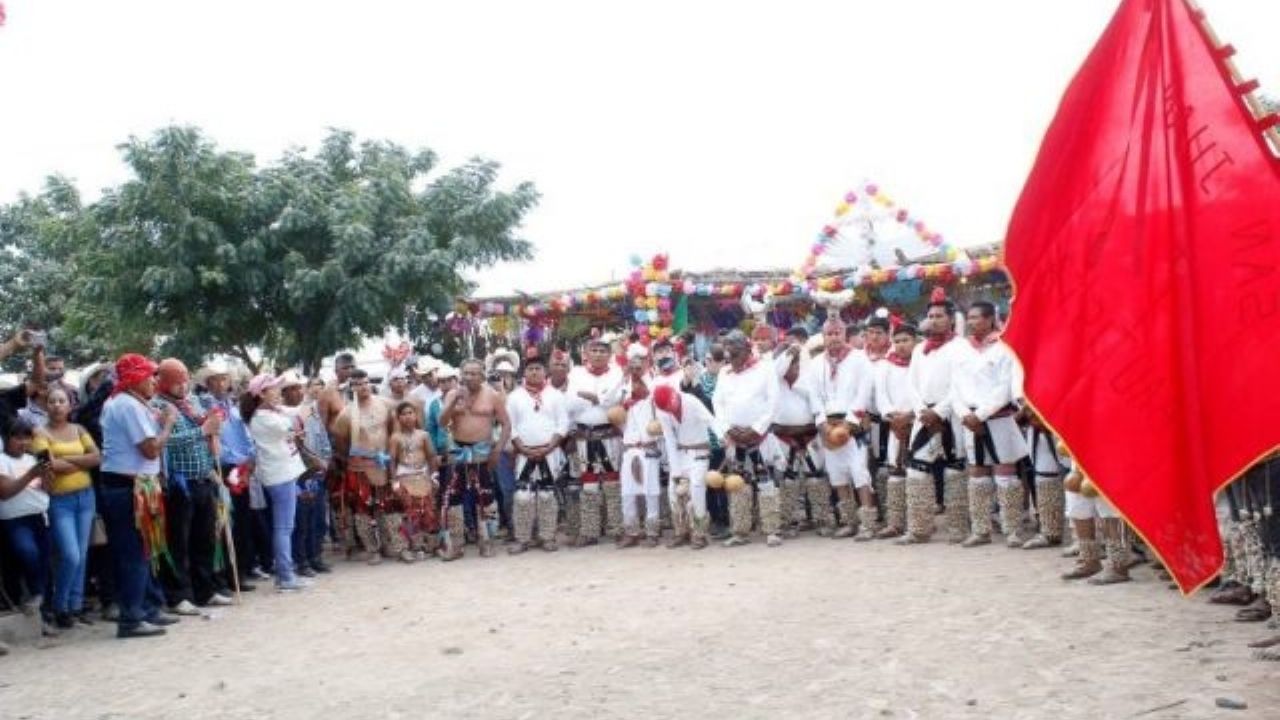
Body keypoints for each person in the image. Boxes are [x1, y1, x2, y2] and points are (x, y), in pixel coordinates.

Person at [99, 353, 179, 638]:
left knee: (144, 549)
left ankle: (145, 608)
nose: (154, 381)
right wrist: (168, 422)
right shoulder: (128, 406)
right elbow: (151, 449)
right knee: (134, 553)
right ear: (134, 379)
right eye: (149, 376)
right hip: (128, 488)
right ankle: (132, 616)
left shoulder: (124, 402)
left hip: (134, 485)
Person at [153, 359, 233, 614]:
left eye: (185, 380)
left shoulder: (193, 402)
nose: (182, 385)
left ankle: (205, 589)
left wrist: (212, 432)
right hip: (179, 484)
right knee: (179, 543)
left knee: (205, 539)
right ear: (164, 382)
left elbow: (207, 432)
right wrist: (202, 431)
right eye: (177, 381)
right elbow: (166, 442)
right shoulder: (157, 406)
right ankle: (179, 596)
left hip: (203, 478)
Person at [953, 302, 1030, 548]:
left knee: (1005, 475)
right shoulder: (962, 350)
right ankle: (981, 529)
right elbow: (955, 387)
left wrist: (982, 414)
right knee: (977, 475)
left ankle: (1012, 529)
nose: (972, 322)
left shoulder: (1003, 348)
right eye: (969, 317)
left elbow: (1005, 388)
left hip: (997, 419)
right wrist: (965, 413)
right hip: (970, 419)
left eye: (976, 317)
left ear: (989, 319)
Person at [31, 387, 100, 627]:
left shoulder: (79, 429)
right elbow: (47, 465)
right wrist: (80, 463)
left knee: (82, 555)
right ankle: (60, 606)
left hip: (85, 497)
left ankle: (75, 606)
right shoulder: (39, 432)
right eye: (52, 401)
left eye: (62, 401)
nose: (57, 405)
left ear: (70, 405)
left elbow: (97, 457)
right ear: (45, 406)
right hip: (60, 500)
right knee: (70, 555)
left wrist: (65, 461)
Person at [901, 296, 969, 544]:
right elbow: (912, 383)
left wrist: (940, 411)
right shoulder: (920, 348)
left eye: (939, 316)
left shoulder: (962, 347)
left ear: (951, 319)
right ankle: (919, 528)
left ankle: (958, 528)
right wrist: (921, 410)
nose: (934, 320)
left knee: (955, 473)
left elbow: (960, 384)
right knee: (916, 472)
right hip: (924, 416)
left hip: (950, 415)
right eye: (930, 316)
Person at [806, 317, 878, 541]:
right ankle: (848, 522)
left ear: (844, 334)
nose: (833, 338)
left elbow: (864, 392)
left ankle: (867, 524)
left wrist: (849, 422)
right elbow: (813, 396)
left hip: (852, 425)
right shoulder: (816, 363)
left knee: (860, 473)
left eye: (838, 333)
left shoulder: (859, 359)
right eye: (829, 334)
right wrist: (823, 424)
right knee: (837, 475)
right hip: (828, 426)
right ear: (823, 337)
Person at [712, 330, 781, 548]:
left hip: (759, 438)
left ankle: (772, 530)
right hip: (734, 438)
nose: (730, 359)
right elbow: (718, 403)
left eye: (734, 353)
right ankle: (740, 531)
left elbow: (773, 402)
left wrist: (756, 428)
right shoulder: (724, 372)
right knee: (737, 485)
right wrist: (726, 429)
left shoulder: (765, 368)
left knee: (766, 483)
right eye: (727, 354)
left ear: (747, 349)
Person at [198, 359, 263, 589]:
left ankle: (241, 570)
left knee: (242, 519)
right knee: (226, 521)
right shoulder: (205, 406)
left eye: (224, 378)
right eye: (216, 379)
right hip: (223, 467)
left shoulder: (232, 407)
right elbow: (215, 442)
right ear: (208, 382)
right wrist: (236, 460)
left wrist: (249, 458)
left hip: (240, 466)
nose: (221, 383)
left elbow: (244, 434)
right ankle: (227, 574)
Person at [438, 359, 511, 559]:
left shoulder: (493, 396)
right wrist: (453, 402)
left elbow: (506, 424)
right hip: (458, 451)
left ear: (482, 375)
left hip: (482, 451)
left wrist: (497, 449)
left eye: (474, 373)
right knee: (453, 498)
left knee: (485, 496)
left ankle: (486, 542)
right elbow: (442, 422)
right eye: (466, 373)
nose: (469, 377)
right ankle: (456, 545)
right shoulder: (452, 394)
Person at [243, 373, 310, 591]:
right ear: (261, 394)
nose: (278, 392)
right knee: (283, 528)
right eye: (272, 388)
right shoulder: (265, 418)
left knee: (284, 527)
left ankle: (285, 574)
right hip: (279, 475)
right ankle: (285, 576)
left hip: (281, 473)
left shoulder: (268, 414)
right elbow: (296, 421)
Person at [331, 369, 400, 564]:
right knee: (363, 511)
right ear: (352, 387)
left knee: (388, 507)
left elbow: (393, 432)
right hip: (360, 469)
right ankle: (372, 549)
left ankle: (391, 544)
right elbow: (341, 444)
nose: (363, 387)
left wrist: (389, 457)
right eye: (358, 384)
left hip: (384, 465)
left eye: (365, 382)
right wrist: (359, 458)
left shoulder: (385, 404)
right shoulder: (346, 415)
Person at [506, 351, 568, 554]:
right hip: (524, 453)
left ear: (545, 372)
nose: (534, 372)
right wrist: (523, 449)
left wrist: (549, 448)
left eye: (538, 369)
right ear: (524, 372)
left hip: (549, 452)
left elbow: (563, 425)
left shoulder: (555, 395)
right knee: (523, 497)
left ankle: (547, 537)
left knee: (547, 496)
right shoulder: (515, 397)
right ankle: (523, 539)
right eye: (530, 369)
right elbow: (510, 426)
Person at [567, 333, 626, 546]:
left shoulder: (617, 373)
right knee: (589, 486)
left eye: (603, 351)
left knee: (612, 483)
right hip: (584, 437)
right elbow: (571, 402)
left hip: (609, 435)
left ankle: (617, 528)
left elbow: (616, 399)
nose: (599, 354)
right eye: (594, 350)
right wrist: (600, 400)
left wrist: (595, 398)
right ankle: (590, 531)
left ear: (609, 354)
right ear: (586, 354)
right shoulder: (576, 373)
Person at [0, 419, 57, 636]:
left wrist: (46, 475)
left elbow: (49, 489)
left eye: (26, 437)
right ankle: (37, 595)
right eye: (17, 437)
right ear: (7, 438)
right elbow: (5, 492)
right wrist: (31, 474)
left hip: (40, 516)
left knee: (44, 562)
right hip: (15, 519)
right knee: (28, 553)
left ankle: (44, 613)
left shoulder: (32, 458)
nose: (22, 442)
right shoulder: (2, 460)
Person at [771, 342, 825, 536]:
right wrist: (788, 353)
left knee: (816, 478)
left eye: (796, 364)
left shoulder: (807, 380)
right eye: (790, 364)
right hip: (783, 437)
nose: (793, 368)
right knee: (787, 481)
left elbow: (817, 406)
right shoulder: (774, 380)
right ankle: (786, 521)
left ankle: (820, 519)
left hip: (809, 435)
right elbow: (777, 370)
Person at [653, 384, 716, 549]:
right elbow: (669, 439)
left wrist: (724, 436)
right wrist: (675, 470)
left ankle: (699, 533)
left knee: (696, 488)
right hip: (680, 454)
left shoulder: (691, 401)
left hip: (700, 452)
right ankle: (680, 531)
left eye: (671, 406)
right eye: (666, 409)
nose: (670, 411)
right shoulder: (663, 411)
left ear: (675, 396)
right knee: (673, 490)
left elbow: (710, 420)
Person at [873, 324, 919, 539]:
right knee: (895, 471)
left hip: (919, 422)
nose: (901, 345)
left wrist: (911, 416)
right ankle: (895, 522)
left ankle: (918, 522)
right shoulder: (885, 366)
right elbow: (881, 397)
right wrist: (893, 416)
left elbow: (924, 392)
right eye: (897, 341)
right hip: (895, 424)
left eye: (906, 340)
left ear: (915, 341)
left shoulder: (922, 363)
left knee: (919, 473)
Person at [616, 348, 662, 548]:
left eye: (639, 365)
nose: (635, 369)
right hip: (629, 448)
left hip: (649, 447)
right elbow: (610, 403)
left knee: (651, 491)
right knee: (627, 492)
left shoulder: (654, 389)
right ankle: (631, 532)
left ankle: (652, 531)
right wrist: (624, 381)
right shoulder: (623, 391)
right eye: (632, 365)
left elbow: (659, 402)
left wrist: (645, 382)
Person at [286, 373, 330, 575]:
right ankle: (301, 561)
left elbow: (323, 439)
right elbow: (296, 445)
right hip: (298, 474)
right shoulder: (284, 415)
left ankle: (315, 556)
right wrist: (314, 461)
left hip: (317, 473)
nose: (296, 392)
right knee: (301, 520)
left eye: (298, 387)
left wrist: (325, 461)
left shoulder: (311, 412)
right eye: (291, 389)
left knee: (317, 517)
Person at [389, 401, 439, 561]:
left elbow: (431, 456)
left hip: (423, 476)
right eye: (403, 414)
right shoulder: (395, 438)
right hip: (405, 477)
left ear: (416, 415)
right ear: (398, 418)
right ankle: (413, 546)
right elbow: (392, 461)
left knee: (428, 511)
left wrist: (434, 476)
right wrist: (394, 482)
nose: (408, 417)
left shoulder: (423, 435)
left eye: (410, 413)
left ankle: (429, 546)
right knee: (410, 514)